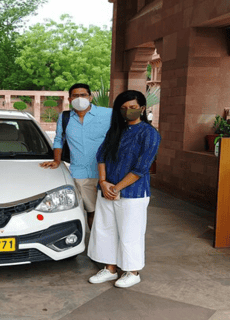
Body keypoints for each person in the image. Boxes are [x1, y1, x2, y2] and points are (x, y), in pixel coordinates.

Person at [87, 90, 160, 288]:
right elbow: (101, 156)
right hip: (107, 189)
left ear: (142, 109)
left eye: (133, 108)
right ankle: (109, 269)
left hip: (132, 193)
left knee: (130, 233)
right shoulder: (115, 131)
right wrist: (103, 182)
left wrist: (116, 188)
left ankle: (132, 272)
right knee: (104, 230)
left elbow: (141, 168)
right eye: (124, 108)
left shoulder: (149, 133)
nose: (128, 111)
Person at [40, 83, 112, 230]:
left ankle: (111, 247)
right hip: (80, 173)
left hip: (107, 171)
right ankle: (96, 246)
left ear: (90, 97)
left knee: (109, 212)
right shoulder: (65, 117)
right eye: (75, 96)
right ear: (69, 99)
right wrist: (56, 160)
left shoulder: (108, 114)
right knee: (91, 211)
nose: (79, 98)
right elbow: (59, 139)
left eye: (83, 95)